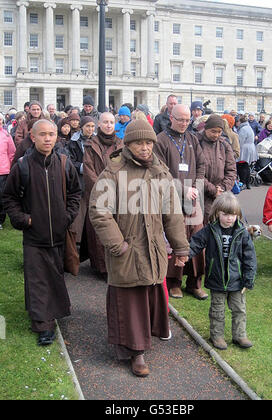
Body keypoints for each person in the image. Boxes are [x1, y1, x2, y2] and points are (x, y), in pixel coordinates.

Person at [89, 119, 190, 377]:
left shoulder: (160, 171)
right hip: (127, 249)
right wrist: (118, 245)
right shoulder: (113, 172)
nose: (144, 148)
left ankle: (142, 343)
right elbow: (100, 212)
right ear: (128, 144)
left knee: (146, 297)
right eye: (138, 143)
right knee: (130, 302)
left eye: (148, 143)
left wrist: (180, 248)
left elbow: (172, 213)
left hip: (152, 248)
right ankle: (136, 353)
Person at [3, 120, 81, 346]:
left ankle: (53, 314)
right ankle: (42, 325)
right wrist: (23, 219)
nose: (48, 139)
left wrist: (67, 217)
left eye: (52, 134)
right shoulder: (22, 166)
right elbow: (9, 197)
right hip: (33, 236)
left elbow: (76, 192)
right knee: (37, 280)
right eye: (43, 134)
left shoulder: (64, 163)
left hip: (58, 235)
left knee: (54, 276)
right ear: (33, 137)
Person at [189, 192, 256, 350]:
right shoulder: (210, 230)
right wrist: (183, 254)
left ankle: (240, 335)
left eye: (233, 215)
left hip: (237, 281)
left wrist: (248, 279)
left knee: (239, 309)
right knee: (217, 311)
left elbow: (250, 257)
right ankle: (217, 336)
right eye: (225, 214)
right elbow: (195, 244)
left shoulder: (242, 233)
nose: (229, 218)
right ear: (217, 213)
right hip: (217, 280)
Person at [154, 104, 207, 300]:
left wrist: (197, 186)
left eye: (187, 120)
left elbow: (201, 165)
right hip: (171, 199)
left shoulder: (193, 139)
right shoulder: (160, 141)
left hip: (193, 200)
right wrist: (182, 189)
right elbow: (159, 172)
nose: (184, 123)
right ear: (171, 117)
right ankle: (174, 282)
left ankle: (195, 282)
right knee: (175, 239)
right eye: (180, 119)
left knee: (197, 239)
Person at [83, 112, 123, 278]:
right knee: (98, 232)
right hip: (98, 193)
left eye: (111, 122)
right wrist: (102, 189)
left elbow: (125, 168)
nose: (108, 125)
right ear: (99, 124)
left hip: (117, 193)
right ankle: (100, 267)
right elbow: (88, 169)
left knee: (115, 229)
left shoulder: (121, 144)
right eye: (105, 122)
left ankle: (115, 265)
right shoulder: (91, 145)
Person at [197, 114, 237, 224]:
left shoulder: (224, 145)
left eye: (219, 132)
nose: (216, 135)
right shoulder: (197, 142)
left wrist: (223, 188)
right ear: (206, 129)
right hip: (201, 194)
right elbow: (195, 171)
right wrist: (212, 190)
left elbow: (231, 170)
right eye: (213, 131)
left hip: (221, 195)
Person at [68, 116, 96, 245]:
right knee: (79, 214)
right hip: (80, 181)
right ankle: (76, 242)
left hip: (95, 180)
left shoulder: (96, 141)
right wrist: (83, 167)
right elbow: (70, 161)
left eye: (92, 126)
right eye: (87, 126)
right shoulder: (73, 142)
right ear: (82, 127)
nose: (90, 129)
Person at [0, 114, 16, 230]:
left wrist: (10, 168)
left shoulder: (6, 135)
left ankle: (0, 220)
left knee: (1, 197)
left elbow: (12, 153)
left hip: (3, 170)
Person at [236, 114, 258, 190]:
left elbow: (240, 141)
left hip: (244, 148)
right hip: (250, 147)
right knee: (246, 166)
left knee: (242, 166)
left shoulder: (243, 129)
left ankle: (243, 182)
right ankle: (247, 183)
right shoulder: (248, 127)